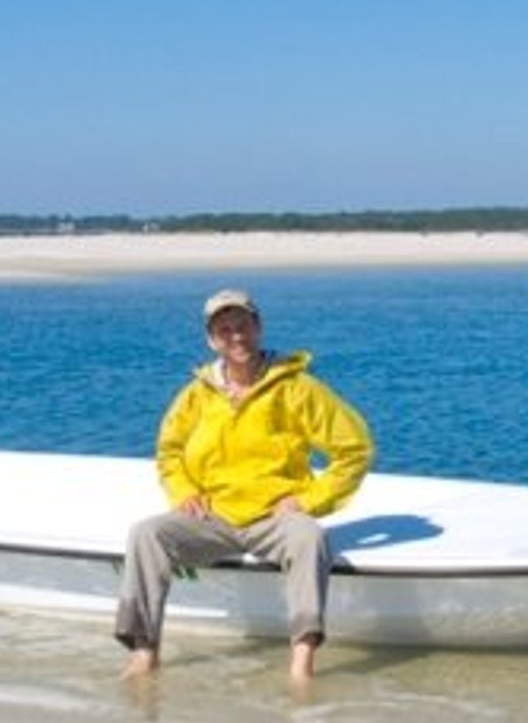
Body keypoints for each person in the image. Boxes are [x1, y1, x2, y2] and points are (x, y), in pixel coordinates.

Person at [115, 288, 374, 685]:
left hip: (274, 518)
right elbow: (169, 452)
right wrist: (184, 493)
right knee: (145, 534)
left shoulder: (297, 387)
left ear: (259, 327)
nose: (236, 337)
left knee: (310, 538)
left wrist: (309, 500)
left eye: (243, 326)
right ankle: (144, 654)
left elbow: (355, 448)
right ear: (211, 340)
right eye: (224, 330)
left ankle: (302, 664)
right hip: (213, 518)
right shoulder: (197, 394)